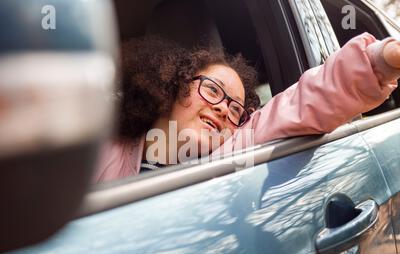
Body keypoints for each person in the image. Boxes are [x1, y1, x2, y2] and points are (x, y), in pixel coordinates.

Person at [94, 33, 400, 183]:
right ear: (171, 87)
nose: (224, 110)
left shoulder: (227, 157)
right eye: (212, 90)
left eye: (235, 109)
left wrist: (380, 61)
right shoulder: (97, 148)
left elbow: (302, 101)